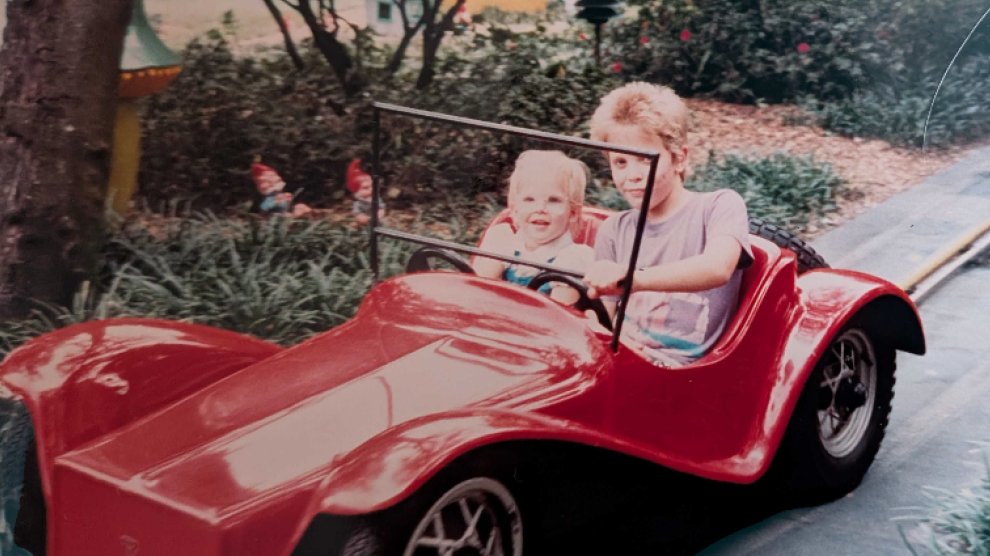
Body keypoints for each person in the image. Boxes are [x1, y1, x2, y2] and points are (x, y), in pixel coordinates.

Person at [583, 82, 754, 367]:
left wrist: (633, 279)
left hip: (684, 371)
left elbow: (717, 268)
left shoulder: (718, 206)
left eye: (644, 160)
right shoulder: (613, 231)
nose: (632, 175)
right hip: (624, 361)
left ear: (680, 158)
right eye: (620, 162)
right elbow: (608, 320)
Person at [473, 150, 595, 305]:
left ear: (572, 213)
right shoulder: (505, 243)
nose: (540, 208)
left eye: (553, 200)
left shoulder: (574, 257)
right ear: (515, 209)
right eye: (529, 199)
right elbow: (476, 294)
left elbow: (559, 318)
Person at [346, 158, 385, 225]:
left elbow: (381, 208)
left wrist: (378, 215)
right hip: (365, 224)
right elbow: (357, 213)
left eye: (371, 186)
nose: (371, 189)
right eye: (366, 188)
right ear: (357, 192)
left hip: (378, 223)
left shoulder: (376, 199)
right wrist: (362, 217)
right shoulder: (358, 203)